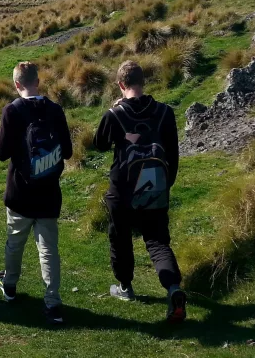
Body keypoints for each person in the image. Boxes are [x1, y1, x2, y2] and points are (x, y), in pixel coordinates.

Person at [93, 60, 186, 323]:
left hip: (122, 190)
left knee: (120, 238)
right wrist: (165, 185)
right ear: (143, 82)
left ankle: (125, 287)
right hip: (155, 187)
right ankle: (173, 289)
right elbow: (173, 154)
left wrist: (114, 115)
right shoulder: (165, 113)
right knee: (157, 242)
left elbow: (99, 144)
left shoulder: (115, 114)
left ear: (121, 85)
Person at [0, 61, 73, 325]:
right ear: (37, 81)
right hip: (49, 192)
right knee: (48, 249)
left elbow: (1, 152)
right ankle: (52, 303)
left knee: (14, 243)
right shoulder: (55, 110)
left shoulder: (12, 111)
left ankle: (11, 286)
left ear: (17, 84)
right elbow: (69, 151)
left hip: (20, 191)